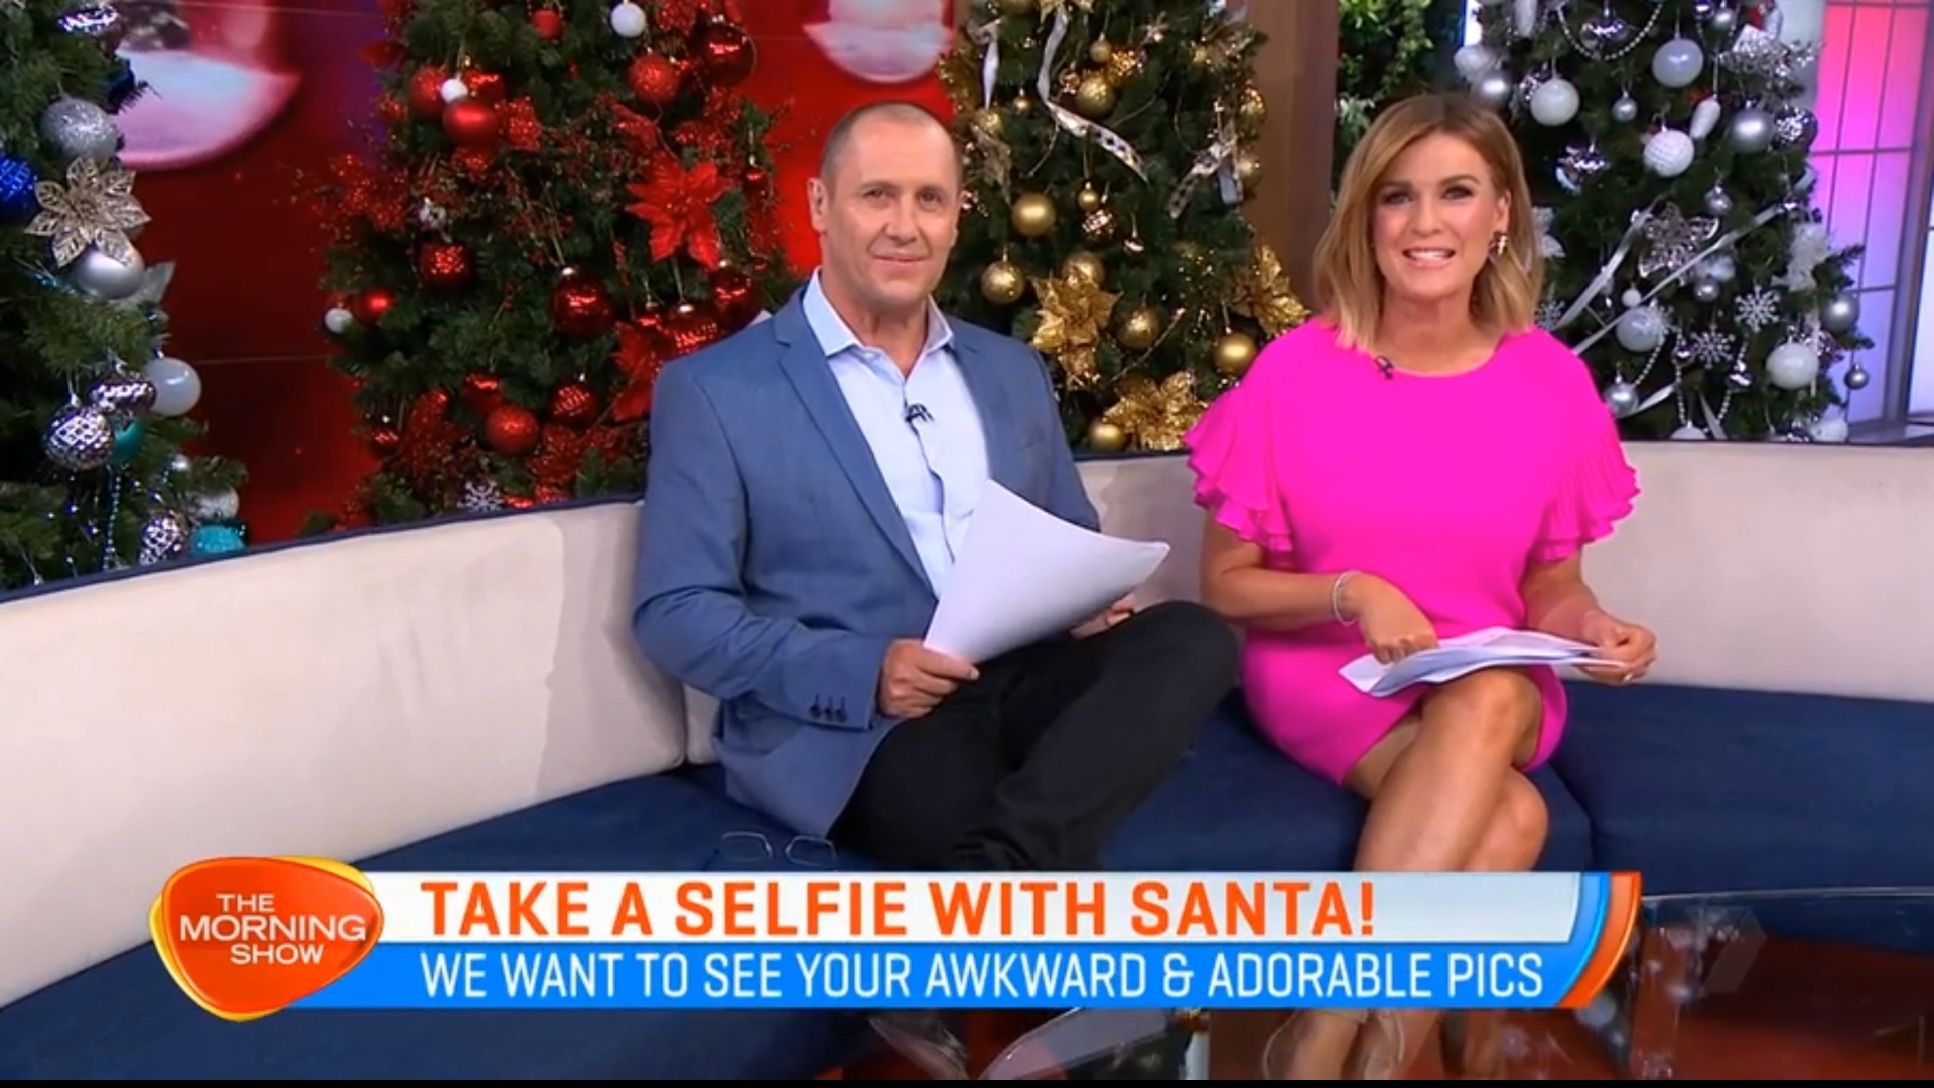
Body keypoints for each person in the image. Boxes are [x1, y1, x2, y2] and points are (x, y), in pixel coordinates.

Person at [632, 98, 1237, 875]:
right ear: (820, 205)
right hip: (867, 726)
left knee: (1193, 638)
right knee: (956, 804)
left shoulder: (1011, 369)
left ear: (955, 219)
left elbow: (1065, 534)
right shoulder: (716, 390)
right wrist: (867, 672)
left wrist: (1087, 603)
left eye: (930, 200)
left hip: (1027, 674)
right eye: (876, 195)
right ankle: (1017, 875)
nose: (904, 226)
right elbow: (676, 612)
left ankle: (997, 879)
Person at [1183, 93, 1656, 1079]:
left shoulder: (1549, 383)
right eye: (1397, 197)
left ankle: (1319, 1035)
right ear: (1367, 218)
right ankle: (1374, 1056)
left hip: (1487, 676)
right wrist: (1351, 592)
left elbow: (1550, 584)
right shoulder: (1293, 373)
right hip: (1328, 675)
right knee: (1515, 818)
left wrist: (1593, 626)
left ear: (1501, 215)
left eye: (1456, 193)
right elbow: (1225, 586)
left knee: (1492, 693)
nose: (1424, 222)